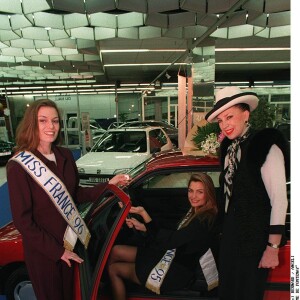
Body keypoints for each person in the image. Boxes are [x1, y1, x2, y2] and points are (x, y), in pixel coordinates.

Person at [6, 99, 131, 300]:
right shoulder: (19, 166)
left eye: (55, 121)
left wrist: (109, 185)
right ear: (32, 124)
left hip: (70, 243)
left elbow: (76, 195)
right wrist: (57, 252)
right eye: (43, 121)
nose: (51, 126)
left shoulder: (64, 155)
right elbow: (23, 222)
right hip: (45, 254)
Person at [204, 86, 289, 300]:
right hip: (231, 236)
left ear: (246, 114)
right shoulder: (229, 149)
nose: (225, 125)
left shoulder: (265, 145)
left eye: (230, 117)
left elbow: (279, 200)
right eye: (221, 120)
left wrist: (272, 247)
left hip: (254, 241)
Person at [107, 173, 219, 300]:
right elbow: (174, 231)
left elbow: (171, 241)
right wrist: (144, 227)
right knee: (115, 251)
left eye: (200, 192)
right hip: (173, 255)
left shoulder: (203, 221)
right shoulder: (199, 211)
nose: (193, 196)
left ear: (208, 193)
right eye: (190, 191)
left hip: (177, 271)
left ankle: (111, 289)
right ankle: (108, 288)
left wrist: (143, 214)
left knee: (114, 270)